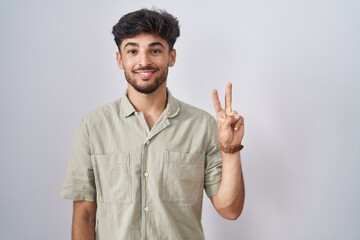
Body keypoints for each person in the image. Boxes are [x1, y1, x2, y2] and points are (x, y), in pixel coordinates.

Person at [61, 8, 245, 240]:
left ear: (172, 57)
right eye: (132, 51)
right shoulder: (92, 127)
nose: (144, 61)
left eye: (155, 50)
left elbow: (230, 210)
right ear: (120, 59)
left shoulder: (202, 126)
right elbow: (84, 215)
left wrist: (231, 149)